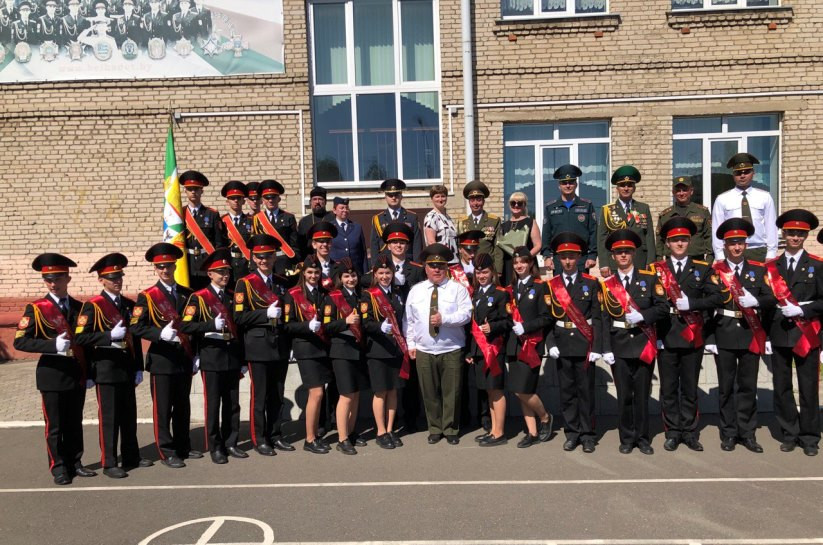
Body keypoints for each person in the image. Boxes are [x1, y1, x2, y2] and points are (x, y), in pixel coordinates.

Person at [14, 254, 97, 486]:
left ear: (67, 279)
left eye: (58, 278)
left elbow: (86, 343)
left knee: (74, 422)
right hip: (51, 375)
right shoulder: (36, 309)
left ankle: (75, 462)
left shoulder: (80, 308)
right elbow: (20, 341)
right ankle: (58, 467)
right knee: (55, 426)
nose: (53, 284)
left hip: (76, 373)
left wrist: (90, 373)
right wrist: (52, 346)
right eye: (48, 279)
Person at [75, 253, 151, 479]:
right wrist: (108, 336)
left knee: (129, 416)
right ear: (101, 280)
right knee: (110, 419)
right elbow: (81, 337)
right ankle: (109, 462)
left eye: (119, 276)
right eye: (112, 278)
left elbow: (134, 338)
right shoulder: (93, 306)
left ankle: (131, 456)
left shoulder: (128, 305)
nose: (117, 281)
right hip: (106, 369)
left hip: (126, 367)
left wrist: (138, 367)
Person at [705, 218, 775, 453]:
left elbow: (771, 299)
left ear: (746, 245)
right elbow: (708, 306)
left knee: (748, 386)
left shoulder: (758, 269)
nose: (736, 247)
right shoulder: (715, 271)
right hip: (723, 332)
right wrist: (710, 339)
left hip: (749, 333)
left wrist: (756, 301)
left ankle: (747, 433)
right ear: (725, 245)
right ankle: (728, 433)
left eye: (740, 243)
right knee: (726, 388)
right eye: (732, 243)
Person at [653, 218, 722, 453]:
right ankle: (673, 432)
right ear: (667, 243)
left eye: (683, 239)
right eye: (675, 240)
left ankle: (690, 432)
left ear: (689, 241)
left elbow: (717, 297)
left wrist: (692, 303)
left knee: (690, 387)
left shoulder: (703, 268)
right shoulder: (656, 270)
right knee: (669, 387)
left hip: (693, 334)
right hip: (666, 333)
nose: (679, 243)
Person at [130, 242, 200, 469]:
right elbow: (136, 327)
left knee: (182, 406)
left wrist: (196, 354)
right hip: (162, 360)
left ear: (175, 266)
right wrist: (159, 334)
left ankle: (183, 446)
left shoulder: (187, 294)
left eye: (168, 266)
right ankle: (167, 451)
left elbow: (194, 326)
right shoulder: (147, 296)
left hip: (183, 357)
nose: (165, 270)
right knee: (163, 409)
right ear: (155, 268)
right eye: (160, 267)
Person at [600, 229, 668, 455]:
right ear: (613, 256)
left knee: (641, 395)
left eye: (627, 251)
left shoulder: (649, 279)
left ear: (634, 254)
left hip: (642, 343)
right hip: (618, 346)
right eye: (619, 252)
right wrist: (605, 348)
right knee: (624, 396)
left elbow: (663, 308)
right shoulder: (607, 284)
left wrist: (643, 316)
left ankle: (643, 438)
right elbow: (603, 319)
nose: (623, 255)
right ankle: (627, 438)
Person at [763, 210, 823, 456]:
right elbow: (766, 301)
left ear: (806, 236)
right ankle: (789, 433)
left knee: (808, 387)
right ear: (783, 234)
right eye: (791, 233)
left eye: (800, 233)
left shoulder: (817, 265)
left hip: (807, 333)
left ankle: (809, 437)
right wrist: (766, 333)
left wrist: (802, 310)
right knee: (782, 386)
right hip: (779, 332)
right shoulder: (771, 267)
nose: (795, 238)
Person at [180, 248, 246, 464]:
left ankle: (231, 442)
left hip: (231, 356)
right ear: (210, 274)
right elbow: (186, 326)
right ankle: (215, 447)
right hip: (212, 357)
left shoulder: (232, 296)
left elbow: (239, 329)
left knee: (232, 404)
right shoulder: (198, 298)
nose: (225, 275)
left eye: (227, 271)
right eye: (220, 272)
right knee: (213, 404)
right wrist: (210, 325)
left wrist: (242, 359)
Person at [404, 243, 472, 445]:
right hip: (424, 349)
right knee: (429, 392)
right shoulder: (416, 291)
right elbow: (409, 320)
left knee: (452, 391)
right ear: (425, 268)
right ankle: (434, 427)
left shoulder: (457, 289)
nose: (436, 270)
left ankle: (450, 428)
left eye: (441, 266)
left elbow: (466, 314)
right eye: (432, 266)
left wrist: (445, 319)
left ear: (446, 268)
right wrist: (411, 344)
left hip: (451, 348)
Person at [233, 234, 294, 456]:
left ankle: (275, 434)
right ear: (253, 258)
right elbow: (239, 317)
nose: (263, 260)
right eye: (259, 256)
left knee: (277, 394)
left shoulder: (282, 283)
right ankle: (259, 439)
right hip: (258, 346)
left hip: (280, 345)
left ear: (274, 257)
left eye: (267, 256)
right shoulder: (245, 283)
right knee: (259, 396)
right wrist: (264, 314)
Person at [544, 233, 602, 453]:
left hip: (584, 343)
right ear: (558, 259)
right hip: (562, 344)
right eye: (563, 257)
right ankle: (572, 433)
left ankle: (587, 435)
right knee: (567, 393)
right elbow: (547, 319)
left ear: (579, 257)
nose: (568, 261)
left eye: (572, 256)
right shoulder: (552, 285)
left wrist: (597, 347)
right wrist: (551, 344)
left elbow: (598, 318)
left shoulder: (591, 283)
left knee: (586, 392)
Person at [283, 254, 333, 454]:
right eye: (310, 272)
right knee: (316, 392)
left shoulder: (324, 293)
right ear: (303, 273)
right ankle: (309, 439)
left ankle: (315, 434)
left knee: (320, 393)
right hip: (305, 349)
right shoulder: (293, 294)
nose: (313, 275)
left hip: (322, 347)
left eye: (316, 272)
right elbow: (287, 325)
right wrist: (306, 326)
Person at [506, 246, 553, 448]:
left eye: (523, 262)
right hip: (514, 345)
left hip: (531, 345)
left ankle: (545, 417)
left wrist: (526, 327)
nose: (519, 266)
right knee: (520, 391)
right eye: (516, 262)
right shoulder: (510, 289)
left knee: (523, 389)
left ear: (530, 263)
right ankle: (532, 432)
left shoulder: (540, 287)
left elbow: (547, 317)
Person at [323, 258, 369, 455]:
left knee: (356, 394)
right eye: (347, 276)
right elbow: (326, 326)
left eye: (353, 275)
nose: (351, 279)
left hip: (359, 350)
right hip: (341, 351)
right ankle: (342, 438)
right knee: (346, 395)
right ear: (340, 278)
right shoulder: (333, 297)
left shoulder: (361, 296)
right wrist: (346, 321)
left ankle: (351, 432)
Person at [361, 255, 408, 449]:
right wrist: (379, 327)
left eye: (388, 272)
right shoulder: (368, 295)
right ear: (375, 274)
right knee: (381, 392)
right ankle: (380, 431)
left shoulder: (397, 293)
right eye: (381, 273)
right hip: (378, 350)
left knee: (393, 391)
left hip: (395, 349)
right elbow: (365, 323)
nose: (385, 276)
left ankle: (390, 429)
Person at [466, 252, 510, 447]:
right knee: (489, 392)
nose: (481, 276)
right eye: (478, 273)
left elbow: (508, 321)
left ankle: (500, 433)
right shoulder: (475, 294)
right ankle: (493, 430)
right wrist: (471, 351)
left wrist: (493, 326)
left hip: (494, 348)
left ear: (492, 272)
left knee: (496, 390)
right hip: (479, 350)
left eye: (484, 272)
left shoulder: (501, 293)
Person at [711, 153, 778, 263]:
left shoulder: (765, 197)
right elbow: (716, 229)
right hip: (732, 249)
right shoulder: (722, 199)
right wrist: (719, 255)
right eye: (738, 173)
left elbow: (771, 226)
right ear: (733, 175)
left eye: (746, 172)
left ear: (753, 173)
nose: (742, 176)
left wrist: (771, 253)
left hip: (758, 250)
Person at [597, 166, 656, 275]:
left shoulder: (643, 208)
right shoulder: (607, 210)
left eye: (629, 185)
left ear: (634, 188)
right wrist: (604, 263)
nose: (626, 188)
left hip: (640, 260)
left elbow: (649, 236)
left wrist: (651, 261)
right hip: (615, 261)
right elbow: (602, 238)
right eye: (622, 185)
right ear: (617, 188)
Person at [541, 164, 598, 275]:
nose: (568, 185)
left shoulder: (587, 205)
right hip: (559, 259)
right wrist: (546, 256)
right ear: (559, 185)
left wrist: (592, 255)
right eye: (564, 183)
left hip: (581, 258)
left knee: (582, 286)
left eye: (571, 182)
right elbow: (546, 234)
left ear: (576, 184)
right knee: (559, 286)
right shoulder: (550, 207)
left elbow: (593, 232)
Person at [180, 170, 225, 290]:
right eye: (190, 189)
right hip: (187, 263)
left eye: (196, 189)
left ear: (201, 191)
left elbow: (219, 243)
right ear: (185, 191)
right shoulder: (180, 214)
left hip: (206, 262)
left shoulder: (212, 214)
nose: (193, 192)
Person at [656, 176, 712, 262]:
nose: (681, 193)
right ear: (673, 192)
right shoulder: (665, 215)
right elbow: (660, 239)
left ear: (691, 191)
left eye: (685, 190)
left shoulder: (702, 212)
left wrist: (709, 260)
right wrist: (659, 260)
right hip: (672, 261)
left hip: (696, 260)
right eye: (678, 190)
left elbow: (709, 237)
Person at [369, 178, 422, 265]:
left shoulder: (412, 217)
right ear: (385, 197)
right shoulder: (378, 219)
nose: (393, 198)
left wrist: (417, 265)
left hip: (407, 262)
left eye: (396, 195)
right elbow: (374, 245)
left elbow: (417, 244)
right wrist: (375, 266)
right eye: (390, 195)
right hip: (385, 263)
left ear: (401, 196)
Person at [253, 179, 299, 276]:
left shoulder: (288, 217)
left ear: (279, 199)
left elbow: (294, 243)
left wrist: (296, 262)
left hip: (284, 261)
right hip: (264, 262)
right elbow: (255, 243)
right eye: (267, 198)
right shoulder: (257, 218)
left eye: (273, 197)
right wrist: (253, 265)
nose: (270, 200)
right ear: (262, 200)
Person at [458, 180, 503, 274]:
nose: (475, 203)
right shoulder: (462, 222)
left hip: (487, 269)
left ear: (483, 201)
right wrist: (460, 270)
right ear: (469, 202)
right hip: (468, 270)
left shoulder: (494, 221)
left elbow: (498, 247)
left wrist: (498, 271)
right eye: (472, 200)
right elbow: (459, 248)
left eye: (478, 200)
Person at [498, 191, 541, 286]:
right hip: (508, 265)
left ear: (524, 205)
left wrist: (525, 258)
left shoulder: (530, 222)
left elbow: (538, 245)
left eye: (520, 203)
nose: (516, 205)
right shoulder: (503, 225)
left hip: (526, 264)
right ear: (509, 205)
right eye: (513, 203)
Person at [220, 181, 254, 283]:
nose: (236, 201)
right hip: (229, 264)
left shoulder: (251, 220)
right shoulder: (222, 221)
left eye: (238, 198)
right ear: (227, 201)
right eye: (232, 198)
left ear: (243, 201)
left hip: (246, 264)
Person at [330, 197, 368, 275]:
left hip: (355, 271)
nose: (345, 210)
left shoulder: (357, 227)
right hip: (336, 272)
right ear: (334, 210)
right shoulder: (329, 227)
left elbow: (363, 252)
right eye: (342, 208)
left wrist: (365, 272)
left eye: (347, 208)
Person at [423, 185, 458, 260]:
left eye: (443, 196)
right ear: (432, 198)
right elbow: (431, 242)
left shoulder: (448, 217)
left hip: (454, 259)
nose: (440, 199)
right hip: (441, 260)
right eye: (437, 196)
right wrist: (440, 260)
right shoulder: (431, 217)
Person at [297, 187, 331, 257]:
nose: (317, 202)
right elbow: (300, 245)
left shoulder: (333, 218)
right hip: (310, 259)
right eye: (314, 199)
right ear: (310, 202)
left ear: (325, 202)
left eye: (320, 199)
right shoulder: (304, 221)